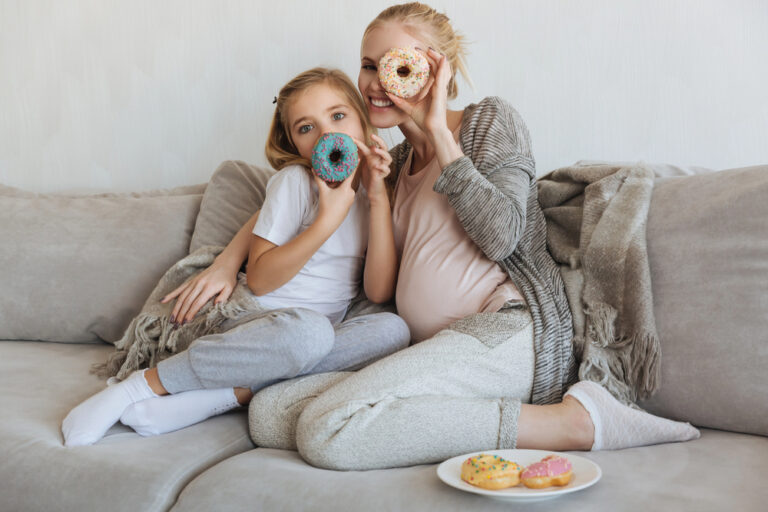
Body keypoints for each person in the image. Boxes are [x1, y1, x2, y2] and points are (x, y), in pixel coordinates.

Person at [247, 2, 700, 470]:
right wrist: (228, 262)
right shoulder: (395, 164)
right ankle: (436, 420)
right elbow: (366, 274)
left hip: (508, 331)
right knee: (268, 414)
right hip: (427, 352)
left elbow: (502, 236)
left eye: (394, 64)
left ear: (435, 69)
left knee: (326, 433)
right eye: (366, 65)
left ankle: (575, 424)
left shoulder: (489, 122)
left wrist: (439, 132)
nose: (376, 82)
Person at [61, 67, 410, 447]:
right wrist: (326, 220)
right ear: (294, 143)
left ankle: (227, 394)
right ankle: (138, 388)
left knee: (393, 331)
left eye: (338, 115)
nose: (327, 133)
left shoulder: (377, 194)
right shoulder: (295, 183)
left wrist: (377, 198)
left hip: (316, 335)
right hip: (254, 322)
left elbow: (377, 292)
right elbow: (260, 279)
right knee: (307, 334)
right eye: (306, 128)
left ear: (362, 119)